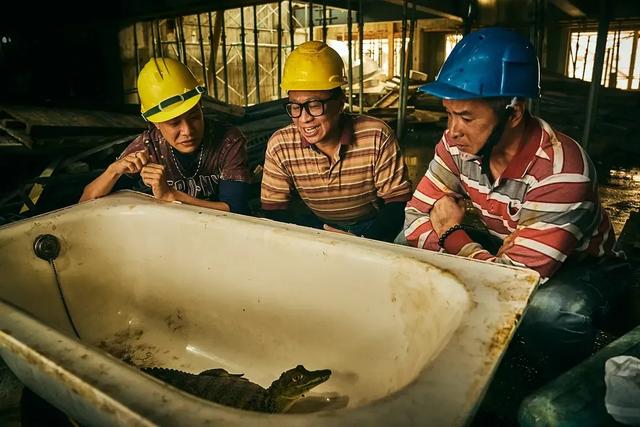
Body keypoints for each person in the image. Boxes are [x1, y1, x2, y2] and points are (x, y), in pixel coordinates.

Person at [396, 28, 630, 372]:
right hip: (511, 246)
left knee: (549, 311)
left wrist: (450, 235)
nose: (452, 130)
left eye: (466, 117)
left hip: (583, 268)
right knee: (403, 243)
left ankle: (556, 383)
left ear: (514, 113)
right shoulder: (456, 145)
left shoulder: (562, 172)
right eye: (449, 113)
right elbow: (415, 217)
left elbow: (510, 282)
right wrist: (489, 260)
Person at [261, 41, 412, 242]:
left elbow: (398, 202)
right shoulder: (280, 145)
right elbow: (274, 209)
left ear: (340, 102)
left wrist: (364, 243)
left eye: (314, 105)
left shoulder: (376, 135)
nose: (304, 118)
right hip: (319, 226)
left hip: (373, 225)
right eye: (295, 107)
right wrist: (317, 235)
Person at [80, 57, 251, 214]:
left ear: (200, 105)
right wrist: (113, 171)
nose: (187, 131)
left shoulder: (228, 141)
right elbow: (85, 203)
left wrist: (171, 195)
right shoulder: (147, 147)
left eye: (194, 117)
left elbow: (236, 210)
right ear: (156, 123)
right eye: (174, 123)